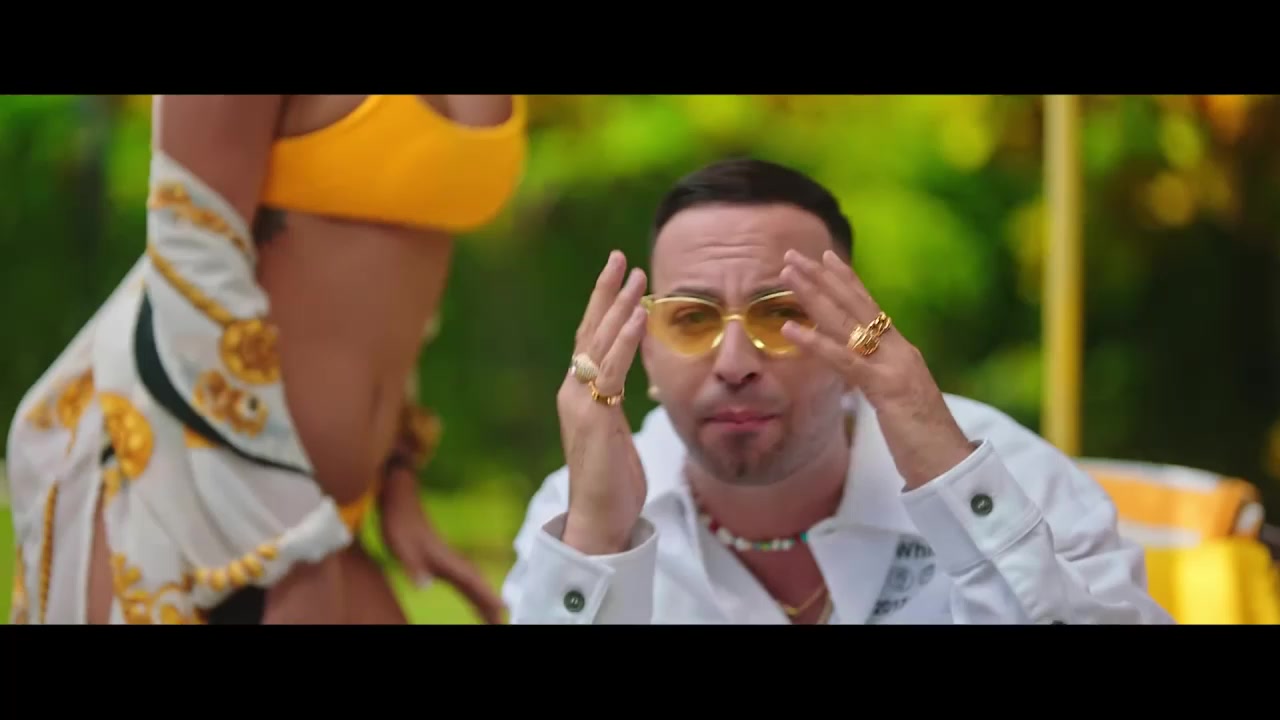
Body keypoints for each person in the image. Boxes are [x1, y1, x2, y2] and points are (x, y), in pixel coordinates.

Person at [501, 158, 1175, 624]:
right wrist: (600, 538)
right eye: (692, 319)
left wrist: (950, 480)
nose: (733, 363)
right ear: (646, 351)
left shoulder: (1000, 472)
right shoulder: (576, 511)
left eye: (781, 315)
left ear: (852, 331)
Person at [7, 95, 520, 624]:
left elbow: (393, 268)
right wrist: (287, 551)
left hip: (324, 529)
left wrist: (397, 473)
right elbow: (192, 269)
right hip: (183, 505)